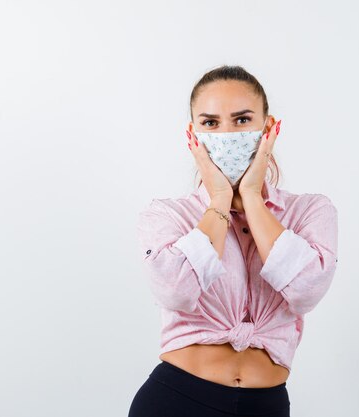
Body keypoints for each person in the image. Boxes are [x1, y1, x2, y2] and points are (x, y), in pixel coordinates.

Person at [128, 65, 339, 417]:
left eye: (242, 120)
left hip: (266, 406)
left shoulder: (309, 211)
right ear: (193, 134)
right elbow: (177, 291)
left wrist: (253, 197)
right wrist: (219, 200)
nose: (226, 133)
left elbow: (306, 291)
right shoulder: (166, 215)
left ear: (269, 128)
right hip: (176, 401)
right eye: (210, 123)